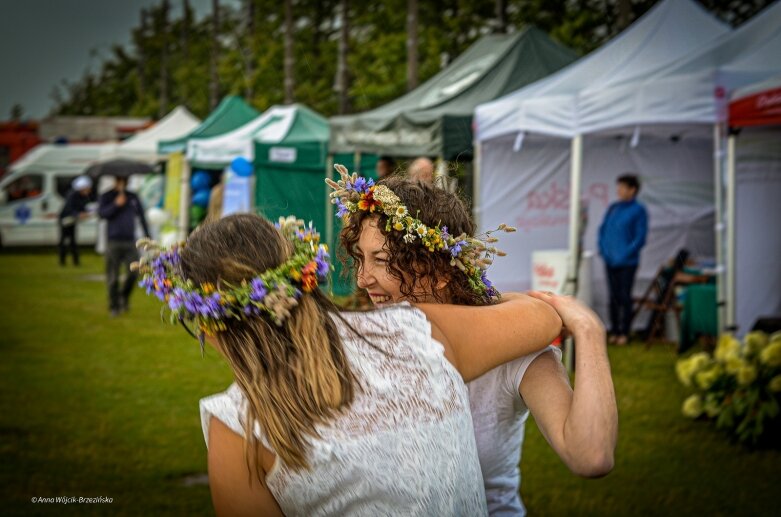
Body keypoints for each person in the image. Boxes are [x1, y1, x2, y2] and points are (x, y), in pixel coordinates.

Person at [134, 213, 562, 516]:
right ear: (307, 276)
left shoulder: (239, 427)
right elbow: (544, 318)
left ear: (207, 326)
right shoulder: (416, 333)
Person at [337, 173, 617, 516]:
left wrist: (589, 331)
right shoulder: (370, 341)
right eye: (361, 259)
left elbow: (591, 455)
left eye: (382, 260)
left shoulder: (512, 345)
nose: (363, 279)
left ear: (439, 270)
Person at [598, 173, 648, 346]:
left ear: (632, 190)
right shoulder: (613, 208)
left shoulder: (638, 210)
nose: (618, 190)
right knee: (612, 297)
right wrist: (604, 251)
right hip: (610, 261)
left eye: (622, 187)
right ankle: (615, 330)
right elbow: (603, 230)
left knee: (624, 296)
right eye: (617, 187)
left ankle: (625, 332)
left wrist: (624, 254)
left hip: (627, 263)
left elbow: (640, 238)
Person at [98, 176, 150, 317]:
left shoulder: (132, 197)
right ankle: (114, 306)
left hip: (130, 241)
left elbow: (142, 216)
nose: (124, 181)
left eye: (126, 179)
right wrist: (116, 204)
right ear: (116, 180)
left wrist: (147, 236)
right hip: (113, 241)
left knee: (134, 273)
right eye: (121, 179)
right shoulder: (107, 196)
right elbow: (102, 214)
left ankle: (123, 297)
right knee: (113, 276)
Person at [58, 175, 92, 266]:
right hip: (65, 220)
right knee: (64, 240)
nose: (89, 190)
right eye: (88, 188)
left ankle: (75, 262)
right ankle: (62, 261)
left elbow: (83, 208)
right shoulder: (72, 195)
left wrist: (85, 213)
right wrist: (78, 214)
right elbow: (70, 208)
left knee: (73, 241)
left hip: (72, 220)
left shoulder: (83, 196)